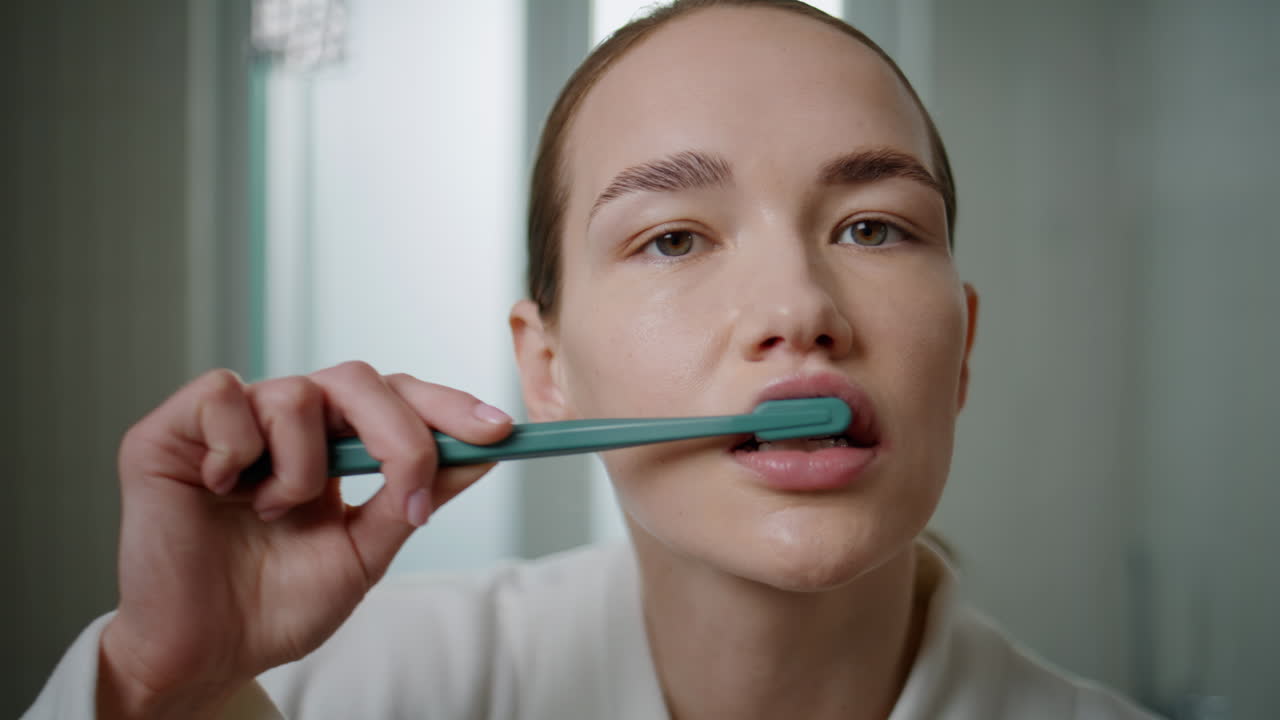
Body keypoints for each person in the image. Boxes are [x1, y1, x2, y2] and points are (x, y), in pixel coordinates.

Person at [26, 1, 1162, 718]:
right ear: (548, 364)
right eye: (673, 238)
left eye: (871, 227)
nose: (797, 309)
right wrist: (162, 688)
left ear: (959, 348)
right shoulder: (349, 690)